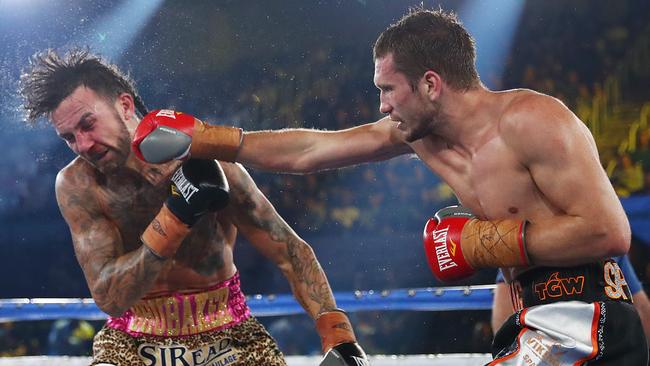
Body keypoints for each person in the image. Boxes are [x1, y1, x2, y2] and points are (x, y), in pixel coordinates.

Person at [131, 7, 648, 364]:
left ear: (430, 83)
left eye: (387, 89)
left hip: (587, 316)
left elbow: (609, 233)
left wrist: (482, 241)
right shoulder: (420, 135)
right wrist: (206, 140)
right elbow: (314, 150)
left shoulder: (532, 120)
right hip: (534, 317)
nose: (381, 105)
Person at [19, 48, 368, 366]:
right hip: (132, 340)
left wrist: (337, 334)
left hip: (227, 332)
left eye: (87, 124)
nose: (82, 144)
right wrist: (174, 218)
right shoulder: (79, 185)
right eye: (69, 137)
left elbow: (289, 251)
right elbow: (109, 296)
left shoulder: (200, 154)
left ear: (124, 105)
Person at [492, 254, 650, 346]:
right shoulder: (527, 249)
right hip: (546, 351)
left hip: (602, 348)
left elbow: (643, 313)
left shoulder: (606, 244)